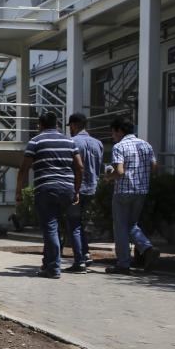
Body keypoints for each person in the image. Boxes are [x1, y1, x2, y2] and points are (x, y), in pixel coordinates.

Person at [15, 111, 84, 279]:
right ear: (57, 125)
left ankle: (53, 268)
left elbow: (24, 168)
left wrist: (18, 191)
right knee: (62, 228)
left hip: (46, 189)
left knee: (50, 229)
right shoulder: (69, 141)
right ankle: (47, 263)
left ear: (41, 124)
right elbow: (80, 167)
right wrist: (76, 190)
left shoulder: (36, 141)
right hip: (67, 189)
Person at [104, 117, 160, 274]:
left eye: (113, 132)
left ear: (120, 131)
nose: (112, 136)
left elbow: (120, 172)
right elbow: (154, 168)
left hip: (123, 191)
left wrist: (108, 176)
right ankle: (147, 249)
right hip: (141, 191)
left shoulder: (119, 146)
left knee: (121, 228)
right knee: (131, 225)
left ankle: (123, 263)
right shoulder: (146, 145)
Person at [67, 112, 104, 269]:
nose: (69, 129)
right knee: (80, 223)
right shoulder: (98, 143)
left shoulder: (72, 142)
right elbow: (100, 167)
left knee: (74, 224)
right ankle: (86, 254)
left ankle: (79, 261)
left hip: (76, 189)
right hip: (92, 189)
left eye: (70, 126)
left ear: (74, 125)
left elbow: (70, 166)